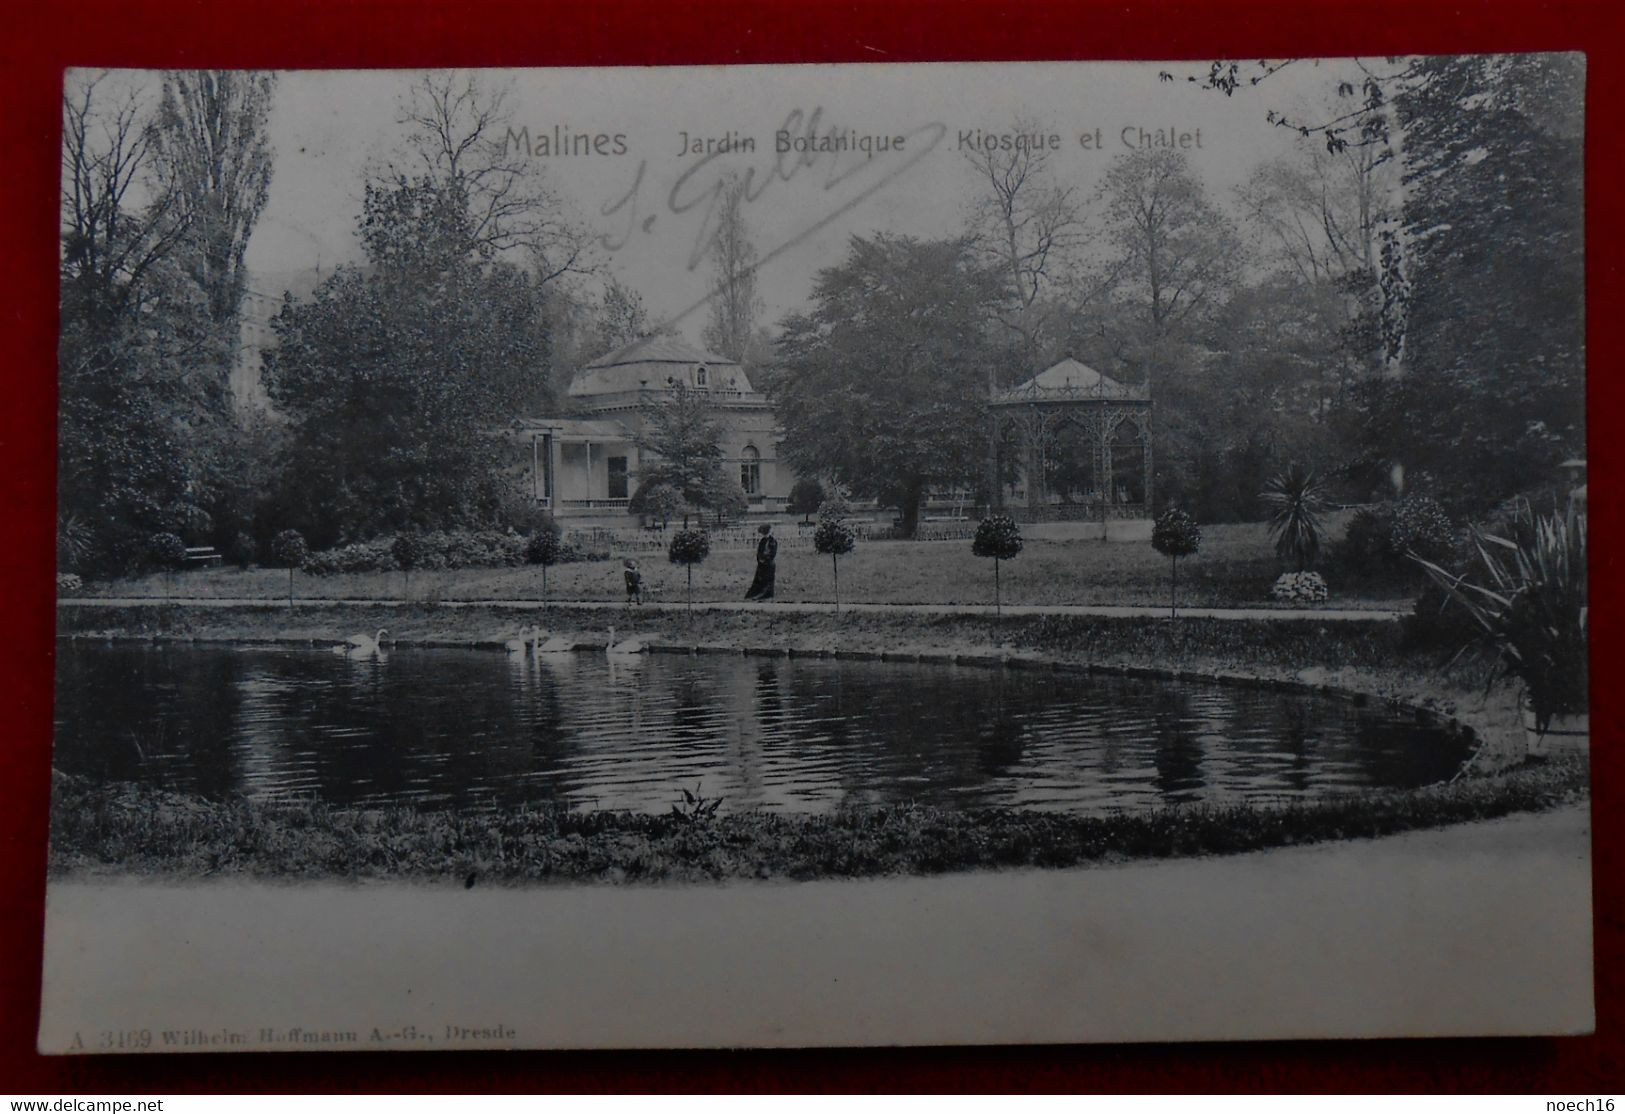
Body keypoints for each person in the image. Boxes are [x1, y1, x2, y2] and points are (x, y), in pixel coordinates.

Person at [744, 523, 777, 601]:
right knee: (759, 579)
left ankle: (766, 594)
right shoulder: (762, 541)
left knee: (767, 580)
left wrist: (766, 559)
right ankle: (756, 593)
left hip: (769, 563)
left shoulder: (772, 541)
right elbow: (759, 552)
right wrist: (760, 559)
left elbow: (772, 553)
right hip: (762, 563)